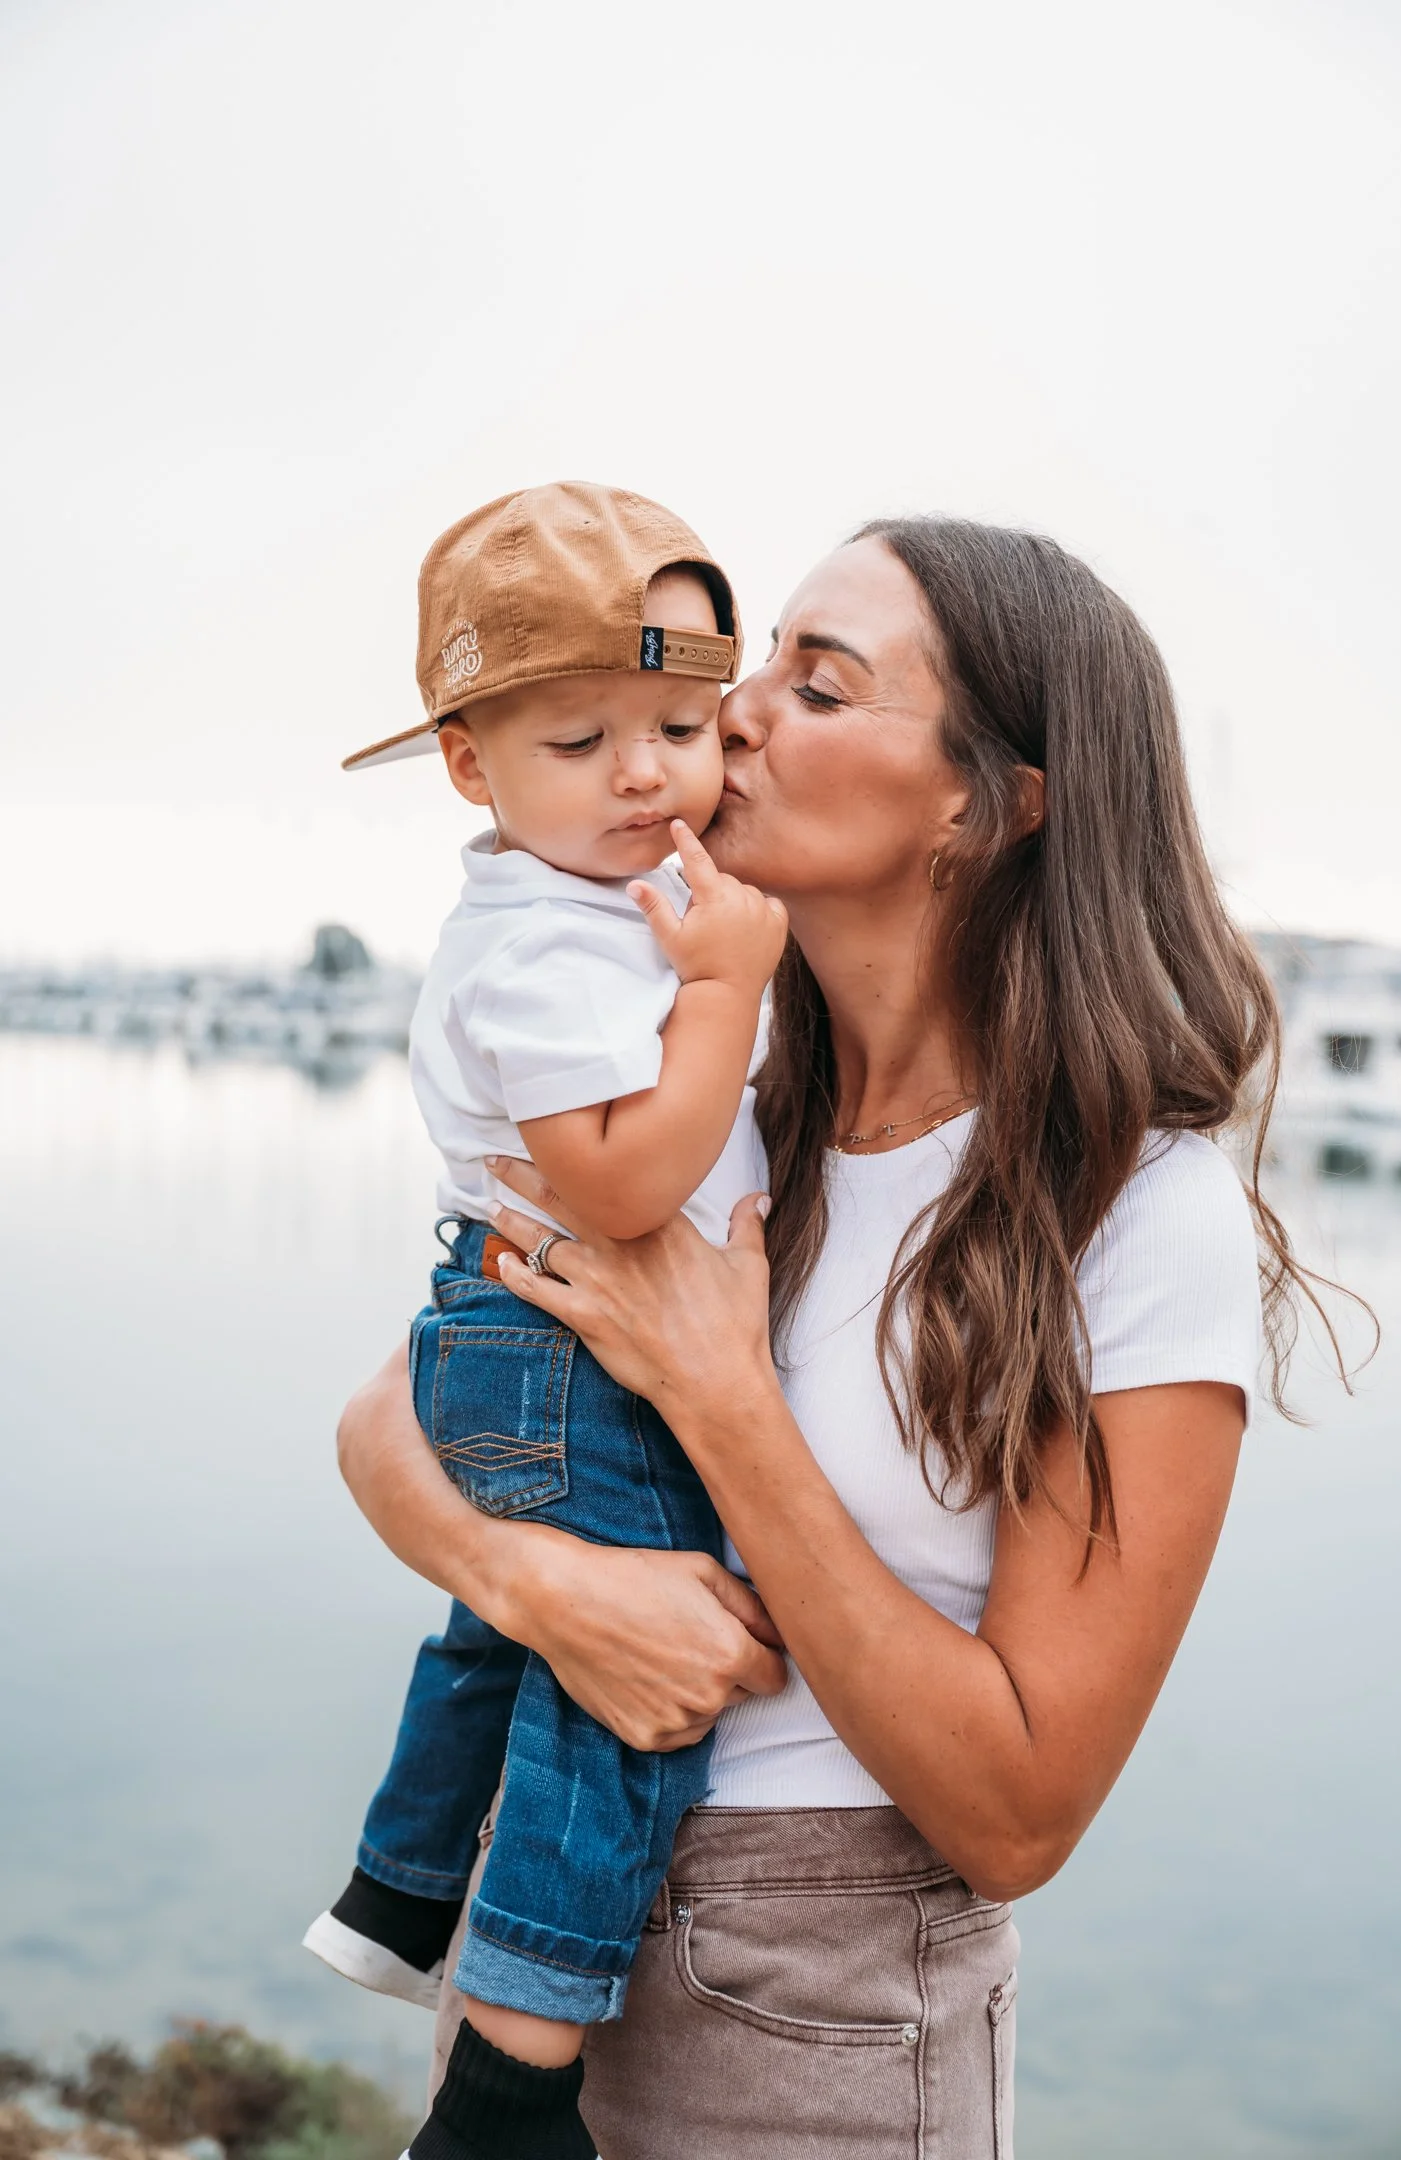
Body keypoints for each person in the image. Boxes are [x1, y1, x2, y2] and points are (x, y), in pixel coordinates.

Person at [336, 515, 1320, 2160]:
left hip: (823, 2002)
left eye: (822, 683)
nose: (732, 715)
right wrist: (541, 1586)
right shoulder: (709, 1107)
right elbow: (393, 1417)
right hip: (541, 1946)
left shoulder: (1138, 1213)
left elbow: (1019, 1811)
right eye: (761, 660)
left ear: (990, 802)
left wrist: (725, 1405)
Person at [303, 482, 786, 2160]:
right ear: (469, 763)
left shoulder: (591, 910)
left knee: (503, 1637)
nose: (649, 775)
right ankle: (510, 2086)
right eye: (581, 740)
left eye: (680, 723)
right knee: (624, 1698)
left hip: (516, 1339)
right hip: (575, 1351)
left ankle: (403, 1890)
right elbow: (620, 1187)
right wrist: (730, 991)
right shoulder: (548, 953)